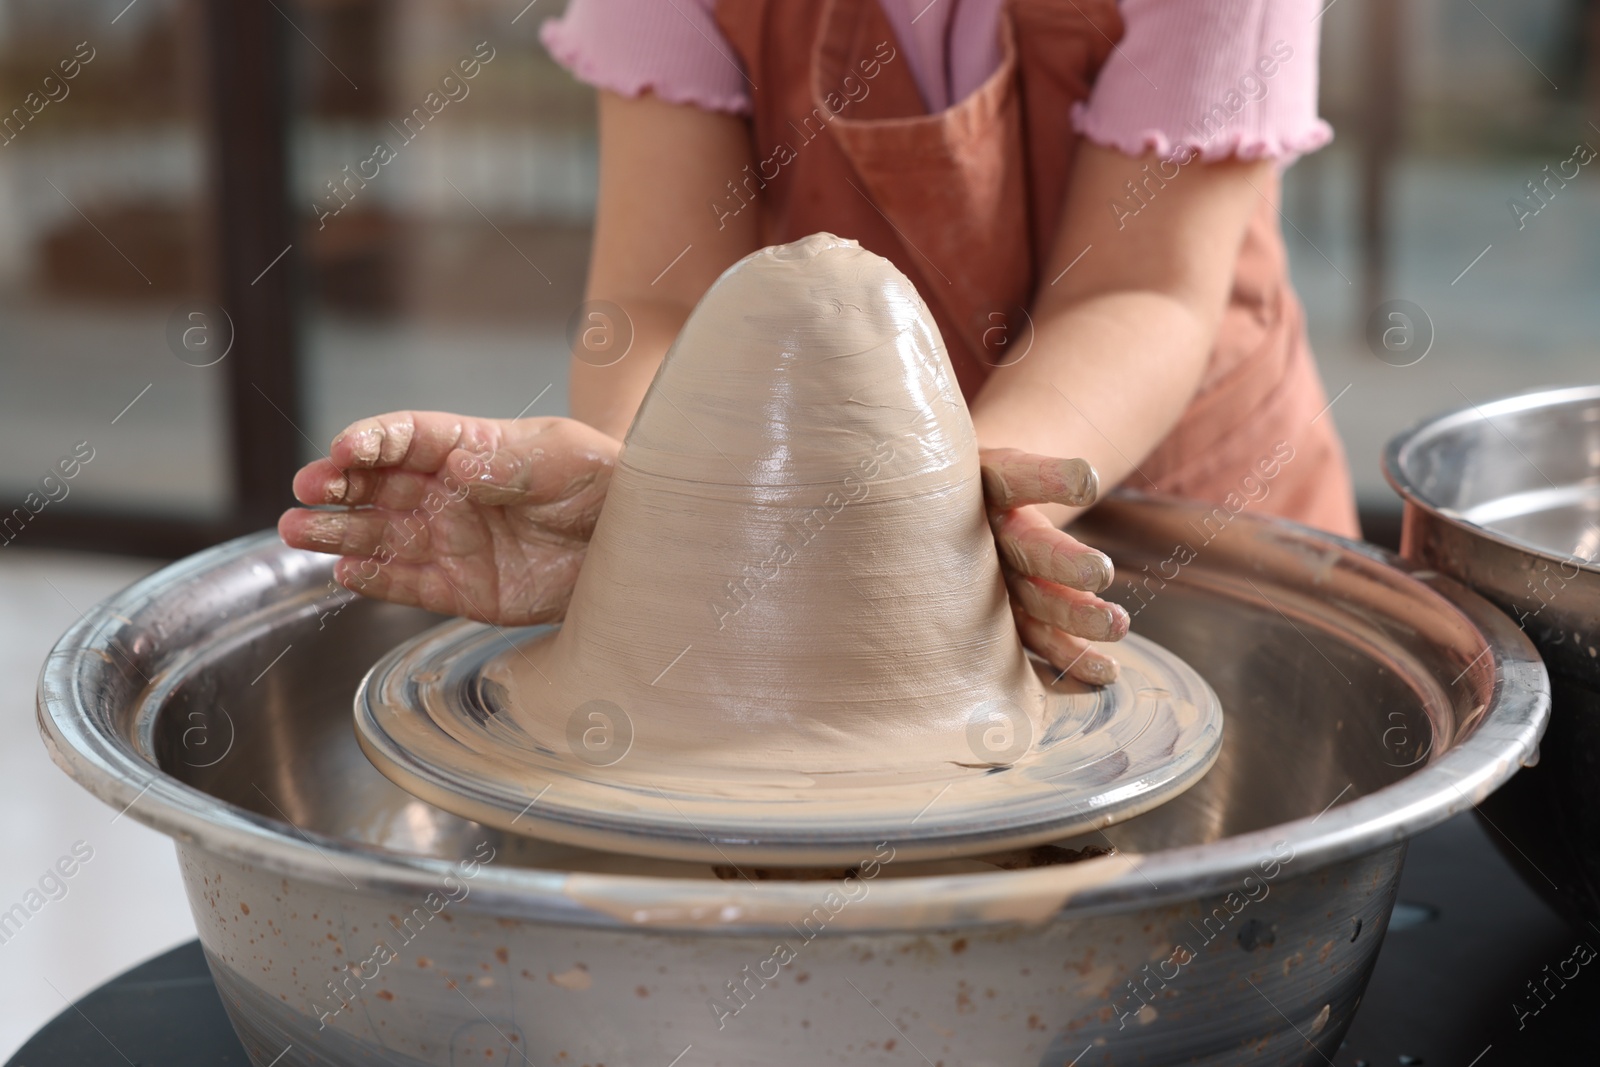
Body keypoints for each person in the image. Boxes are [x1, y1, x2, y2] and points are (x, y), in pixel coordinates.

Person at [279, 0, 1358, 686]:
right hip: (816, 519)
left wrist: (923, 538)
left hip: (1179, 517)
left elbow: (1138, 293)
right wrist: (647, 511)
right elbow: (657, 303)